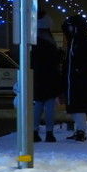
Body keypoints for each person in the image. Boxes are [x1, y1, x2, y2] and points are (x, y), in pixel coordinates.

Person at [63, 15, 87, 141]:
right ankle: (79, 130)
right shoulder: (74, 40)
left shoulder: (83, 41)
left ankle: (81, 131)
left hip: (78, 79)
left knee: (78, 105)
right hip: (74, 79)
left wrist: (79, 69)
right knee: (76, 105)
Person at [32, 14, 62, 142]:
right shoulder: (48, 39)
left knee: (38, 104)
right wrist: (59, 55)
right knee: (49, 105)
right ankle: (49, 132)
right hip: (50, 76)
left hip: (37, 75)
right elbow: (53, 59)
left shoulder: (33, 38)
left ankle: (34, 130)